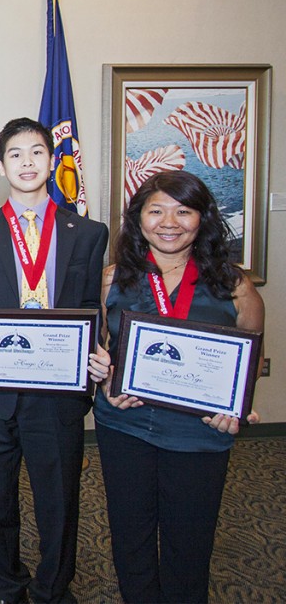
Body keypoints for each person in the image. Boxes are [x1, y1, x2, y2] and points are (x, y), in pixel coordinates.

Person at [0, 117, 111, 604]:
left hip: (58, 394)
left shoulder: (87, 232)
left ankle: (53, 588)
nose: (27, 162)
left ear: (51, 161)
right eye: (16, 154)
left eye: (37, 152)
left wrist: (99, 352)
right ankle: (8, 582)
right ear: (1, 166)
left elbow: (91, 310)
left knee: (58, 501)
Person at [94, 171, 263, 604]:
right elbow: (102, 349)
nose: (169, 221)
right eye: (156, 210)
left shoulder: (235, 285)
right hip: (125, 426)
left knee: (189, 545)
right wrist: (105, 376)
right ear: (139, 218)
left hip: (199, 436)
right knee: (129, 538)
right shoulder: (114, 278)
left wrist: (239, 404)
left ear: (202, 219)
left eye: (183, 211)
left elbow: (251, 359)